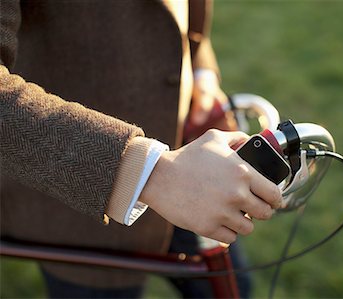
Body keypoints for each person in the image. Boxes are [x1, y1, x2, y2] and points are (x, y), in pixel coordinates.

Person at [0, 0, 282, 298]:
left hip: (191, 159)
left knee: (232, 289)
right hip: (80, 201)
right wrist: (150, 174)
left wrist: (202, 72)